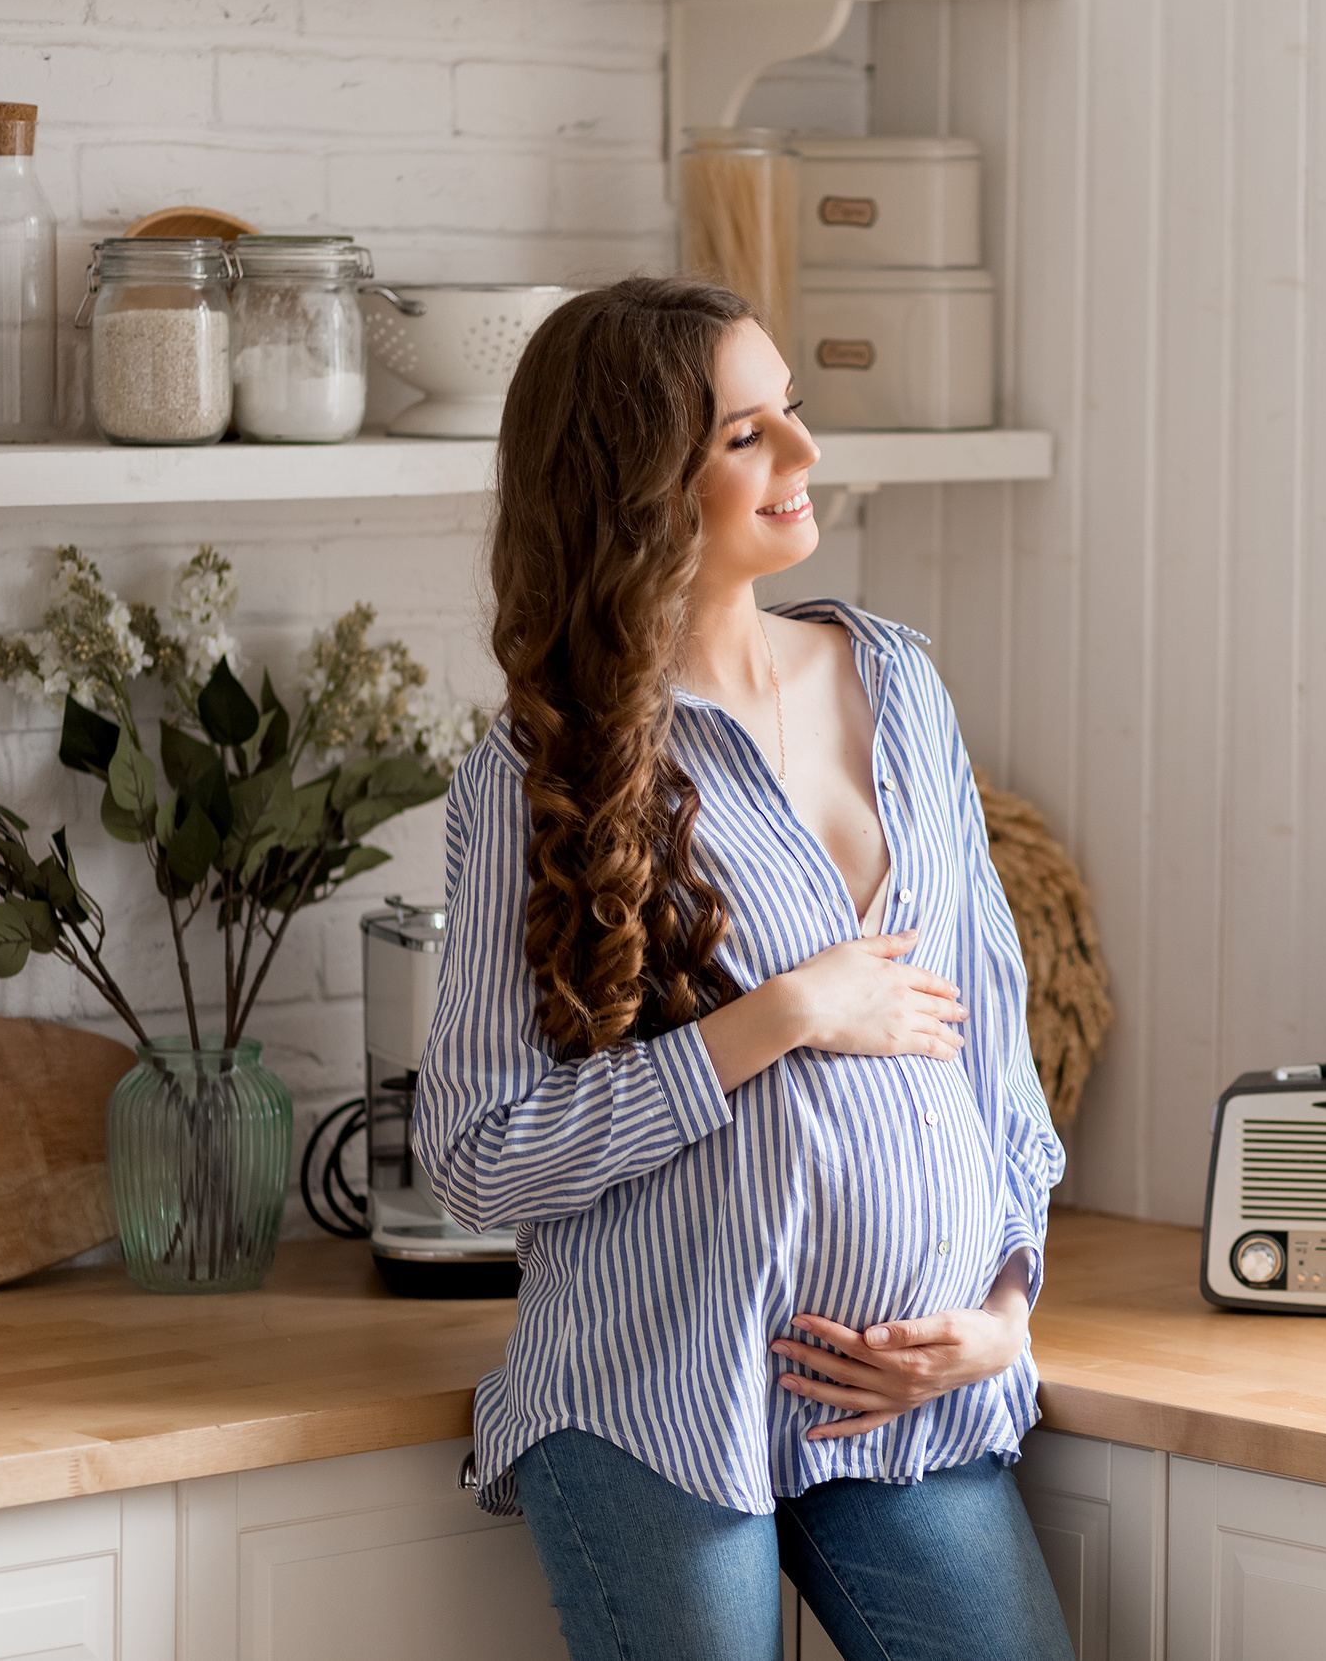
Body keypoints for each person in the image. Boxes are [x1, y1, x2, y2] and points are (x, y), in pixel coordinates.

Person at [415, 276, 1075, 1661]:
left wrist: (1006, 1311)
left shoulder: (898, 686)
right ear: (636, 488)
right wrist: (776, 1018)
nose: (804, 452)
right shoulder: (539, 776)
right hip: (655, 1393)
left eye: (794, 412)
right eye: (745, 434)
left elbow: (996, 1051)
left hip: (898, 1395)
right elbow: (474, 1158)